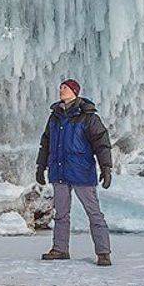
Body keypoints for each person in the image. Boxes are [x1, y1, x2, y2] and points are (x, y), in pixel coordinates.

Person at [34, 78, 113, 265]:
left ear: (74, 92)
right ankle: (60, 249)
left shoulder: (88, 117)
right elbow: (46, 143)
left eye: (65, 87)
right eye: (60, 87)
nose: (61, 90)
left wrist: (106, 167)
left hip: (81, 172)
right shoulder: (55, 116)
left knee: (94, 213)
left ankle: (103, 252)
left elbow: (101, 143)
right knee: (61, 214)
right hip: (59, 171)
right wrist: (40, 166)